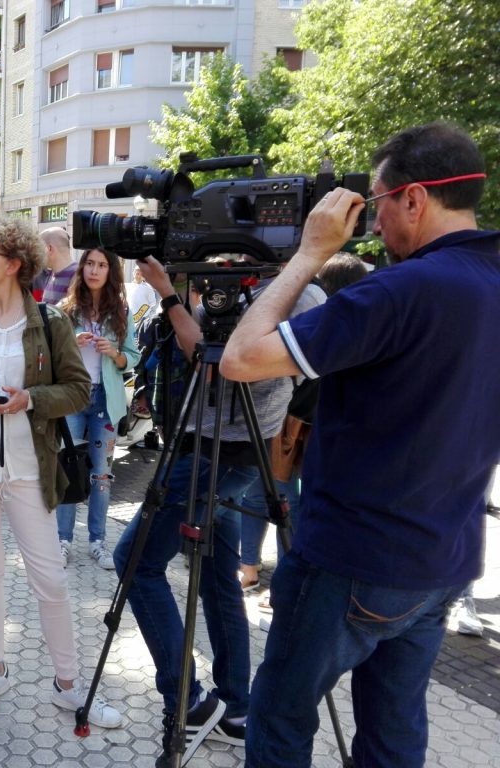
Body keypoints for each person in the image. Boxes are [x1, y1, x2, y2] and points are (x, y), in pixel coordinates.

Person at [221, 122, 499, 768]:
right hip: (444, 561)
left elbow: (239, 358)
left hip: (353, 557)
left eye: (375, 202)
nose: (369, 221)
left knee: (281, 714)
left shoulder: (398, 290)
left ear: (414, 199)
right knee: (394, 735)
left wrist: (308, 255)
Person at [113, 254, 325, 766]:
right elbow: (198, 356)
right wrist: (181, 299)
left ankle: (187, 701)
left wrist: (167, 294)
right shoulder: (231, 289)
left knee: (135, 563)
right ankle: (235, 707)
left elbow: (218, 366)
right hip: (210, 447)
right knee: (214, 574)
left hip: (223, 453)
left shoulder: (302, 295)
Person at [0, 213, 122, 729]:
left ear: (13, 264)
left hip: (31, 469)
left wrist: (31, 398)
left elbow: (77, 390)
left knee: (50, 580)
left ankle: (69, 686)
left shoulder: (51, 323)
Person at [238, 252, 369, 591]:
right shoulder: (356, 323)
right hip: (311, 420)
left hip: (287, 418)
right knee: (291, 500)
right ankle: (283, 576)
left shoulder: (315, 313)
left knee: (269, 495)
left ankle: (256, 570)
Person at [55, 248, 140, 569]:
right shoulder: (66, 309)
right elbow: (50, 354)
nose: (94, 270)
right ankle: (62, 540)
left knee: (100, 475)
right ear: (82, 268)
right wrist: (70, 343)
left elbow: (132, 356)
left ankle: (98, 541)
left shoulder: (121, 310)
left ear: (110, 271)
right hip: (74, 397)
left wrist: (115, 353)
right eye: (89, 263)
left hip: (106, 400)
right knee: (67, 468)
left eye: (102, 265)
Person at [38, 227, 78, 306]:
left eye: (39, 249)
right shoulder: (50, 274)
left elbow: (70, 312)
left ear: (49, 249)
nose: (38, 254)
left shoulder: (77, 274)